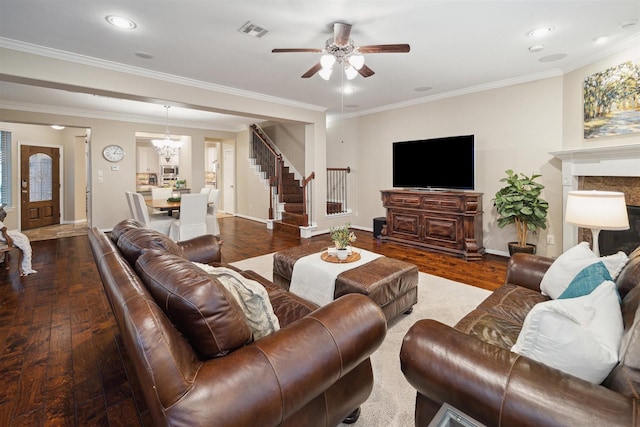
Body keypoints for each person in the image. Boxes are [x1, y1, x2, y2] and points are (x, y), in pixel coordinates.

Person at [0, 206, 37, 276]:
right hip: (7, 238)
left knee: (24, 242)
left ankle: (26, 268)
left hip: (6, 237)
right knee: (26, 247)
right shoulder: (2, 227)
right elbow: (6, 236)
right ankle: (26, 269)